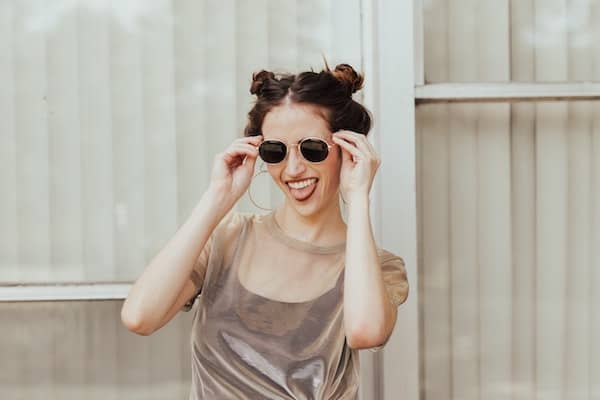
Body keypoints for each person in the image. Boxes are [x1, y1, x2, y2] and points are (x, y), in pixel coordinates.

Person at [121, 62, 409, 399]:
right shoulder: (228, 238)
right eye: (276, 151)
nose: (293, 168)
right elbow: (140, 317)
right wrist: (217, 197)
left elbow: (365, 332)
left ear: (347, 150)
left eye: (312, 148)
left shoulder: (376, 266)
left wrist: (359, 197)